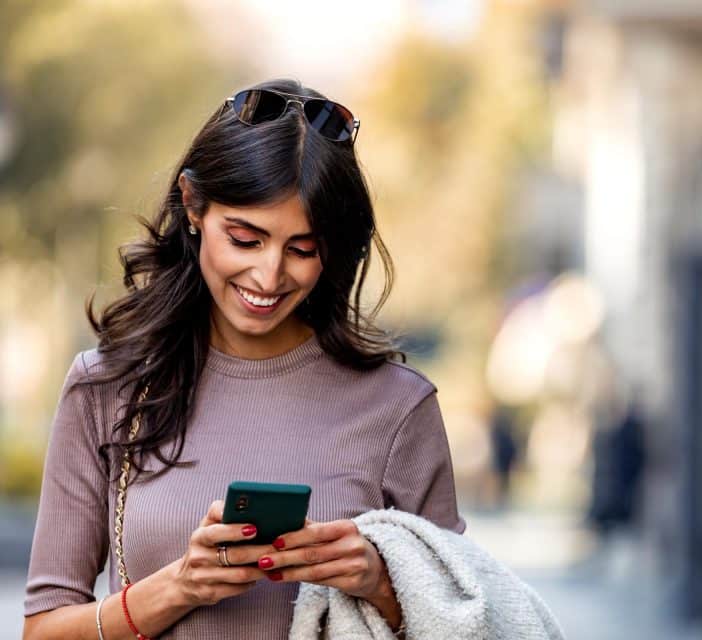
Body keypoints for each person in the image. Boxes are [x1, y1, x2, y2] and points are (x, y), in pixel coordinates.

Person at [22, 78, 466, 639]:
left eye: (302, 249)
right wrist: (179, 587)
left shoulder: (399, 406)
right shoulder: (107, 386)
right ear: (192, 205)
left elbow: (465, 619)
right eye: (245, 238)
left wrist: (380, 582)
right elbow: (43, 630)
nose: (269, 275)